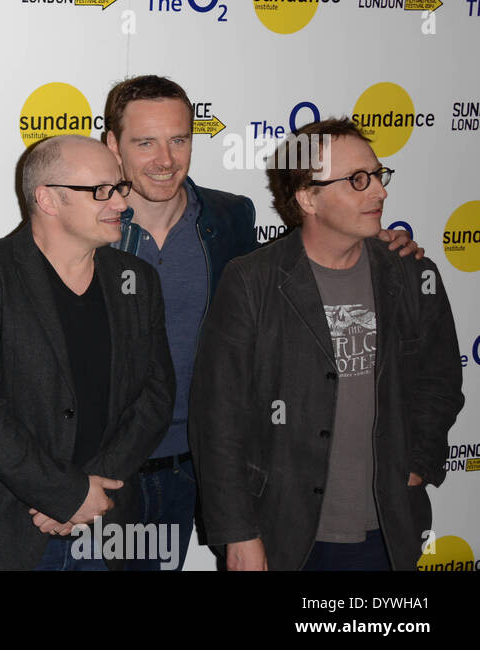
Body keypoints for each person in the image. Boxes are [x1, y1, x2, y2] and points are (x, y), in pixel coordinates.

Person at [102, 75, 422, 570]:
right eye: (145, 142)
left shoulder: (230, 217)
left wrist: (382, 241)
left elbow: (303, 267)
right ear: (113, 146)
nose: (165, 159)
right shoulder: (83, 220)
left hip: (212, 463)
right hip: (115, 465)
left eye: (179, 140)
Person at [189, 118, 464, 571]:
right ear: (308, 197)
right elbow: (218, 419)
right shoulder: (252, 282)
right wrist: (237, 532)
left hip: (391, 526)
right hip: (283, 530)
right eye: (358, 180)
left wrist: (417, 464)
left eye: (378, 175)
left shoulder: (412, 273)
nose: (379, 192)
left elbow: (440, 381)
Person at [0, 135, 174, 570]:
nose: (120, 203)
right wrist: (64, 494)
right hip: (2, 534)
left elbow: (155, 397)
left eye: (120, 188)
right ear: (48, 199)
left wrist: (90, 494)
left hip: (106, 529)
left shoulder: (136, 280)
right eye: (101, 191)